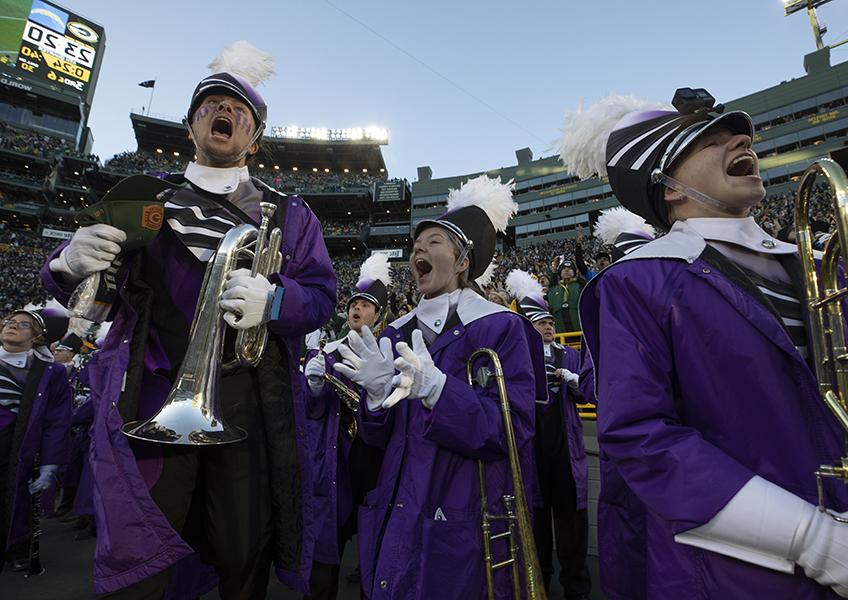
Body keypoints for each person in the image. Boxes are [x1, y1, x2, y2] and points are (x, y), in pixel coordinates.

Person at [559, 87, 848, 598]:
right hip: (741, 573)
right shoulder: (636, 281)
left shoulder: (825, 260)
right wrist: (818, 542)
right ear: (670, 187)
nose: (741, 138)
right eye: (708, 141)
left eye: (736, 133)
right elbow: (643, 438)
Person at [41, 41, 336, 598]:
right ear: (191, 123)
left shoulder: (290, 213)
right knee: (143, 546)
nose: (223, 112)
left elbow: (321, 295)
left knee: (242, 546)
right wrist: (67, 260)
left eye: (238, 109)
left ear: (255, 136)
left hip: (248, 394)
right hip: (151, 393)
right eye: (209, 105)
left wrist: (274, 301)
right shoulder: (146, 194)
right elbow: (92, 297)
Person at [333, 175, 546, 599]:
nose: (417, 251)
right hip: (397, 511)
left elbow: (510, 432)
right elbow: (379, 439)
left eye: (433, 242)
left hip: (466, 520)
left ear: (463, 260)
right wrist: (375, 400)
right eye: (416, 246)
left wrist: (439, 392)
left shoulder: (502, 326)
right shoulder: (394, 332)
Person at [302, 253, 389, 600]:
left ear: (378, 315)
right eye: (354, 303)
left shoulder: (388, 351)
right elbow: (309, 411)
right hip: (334, 461)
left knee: (376, 548)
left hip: (372, 460)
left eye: (366, 305)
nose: (357, 309)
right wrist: (314, 389)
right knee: (327, 551)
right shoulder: (329, 352)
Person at [506, 269, 591, 600]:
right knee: (536, 524)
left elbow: (588, 393)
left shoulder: (569, 354)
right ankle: (538, 583)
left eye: (551, 322)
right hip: (535, 453)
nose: (549, 326)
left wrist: (573, 379)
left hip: (566, 456)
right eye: (541, 322)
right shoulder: (522, 357)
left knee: (572, 524)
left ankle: (577, 588)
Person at [0, 310, 71, 571]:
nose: (12, 326)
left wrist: (50, 463)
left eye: (23, 325)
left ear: (36, 336)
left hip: (18, 446)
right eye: (9, 322)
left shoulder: (51, 373)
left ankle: (17, 548)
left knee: (17, 501)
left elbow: (57, 421)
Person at [546, 259, 583, 333]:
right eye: (563, 268)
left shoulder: (580, 286)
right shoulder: (553, 290)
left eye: (570, 268)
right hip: (560, 336)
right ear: (559, 273)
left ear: (574, 272)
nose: (566, 270)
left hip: (581, 333)